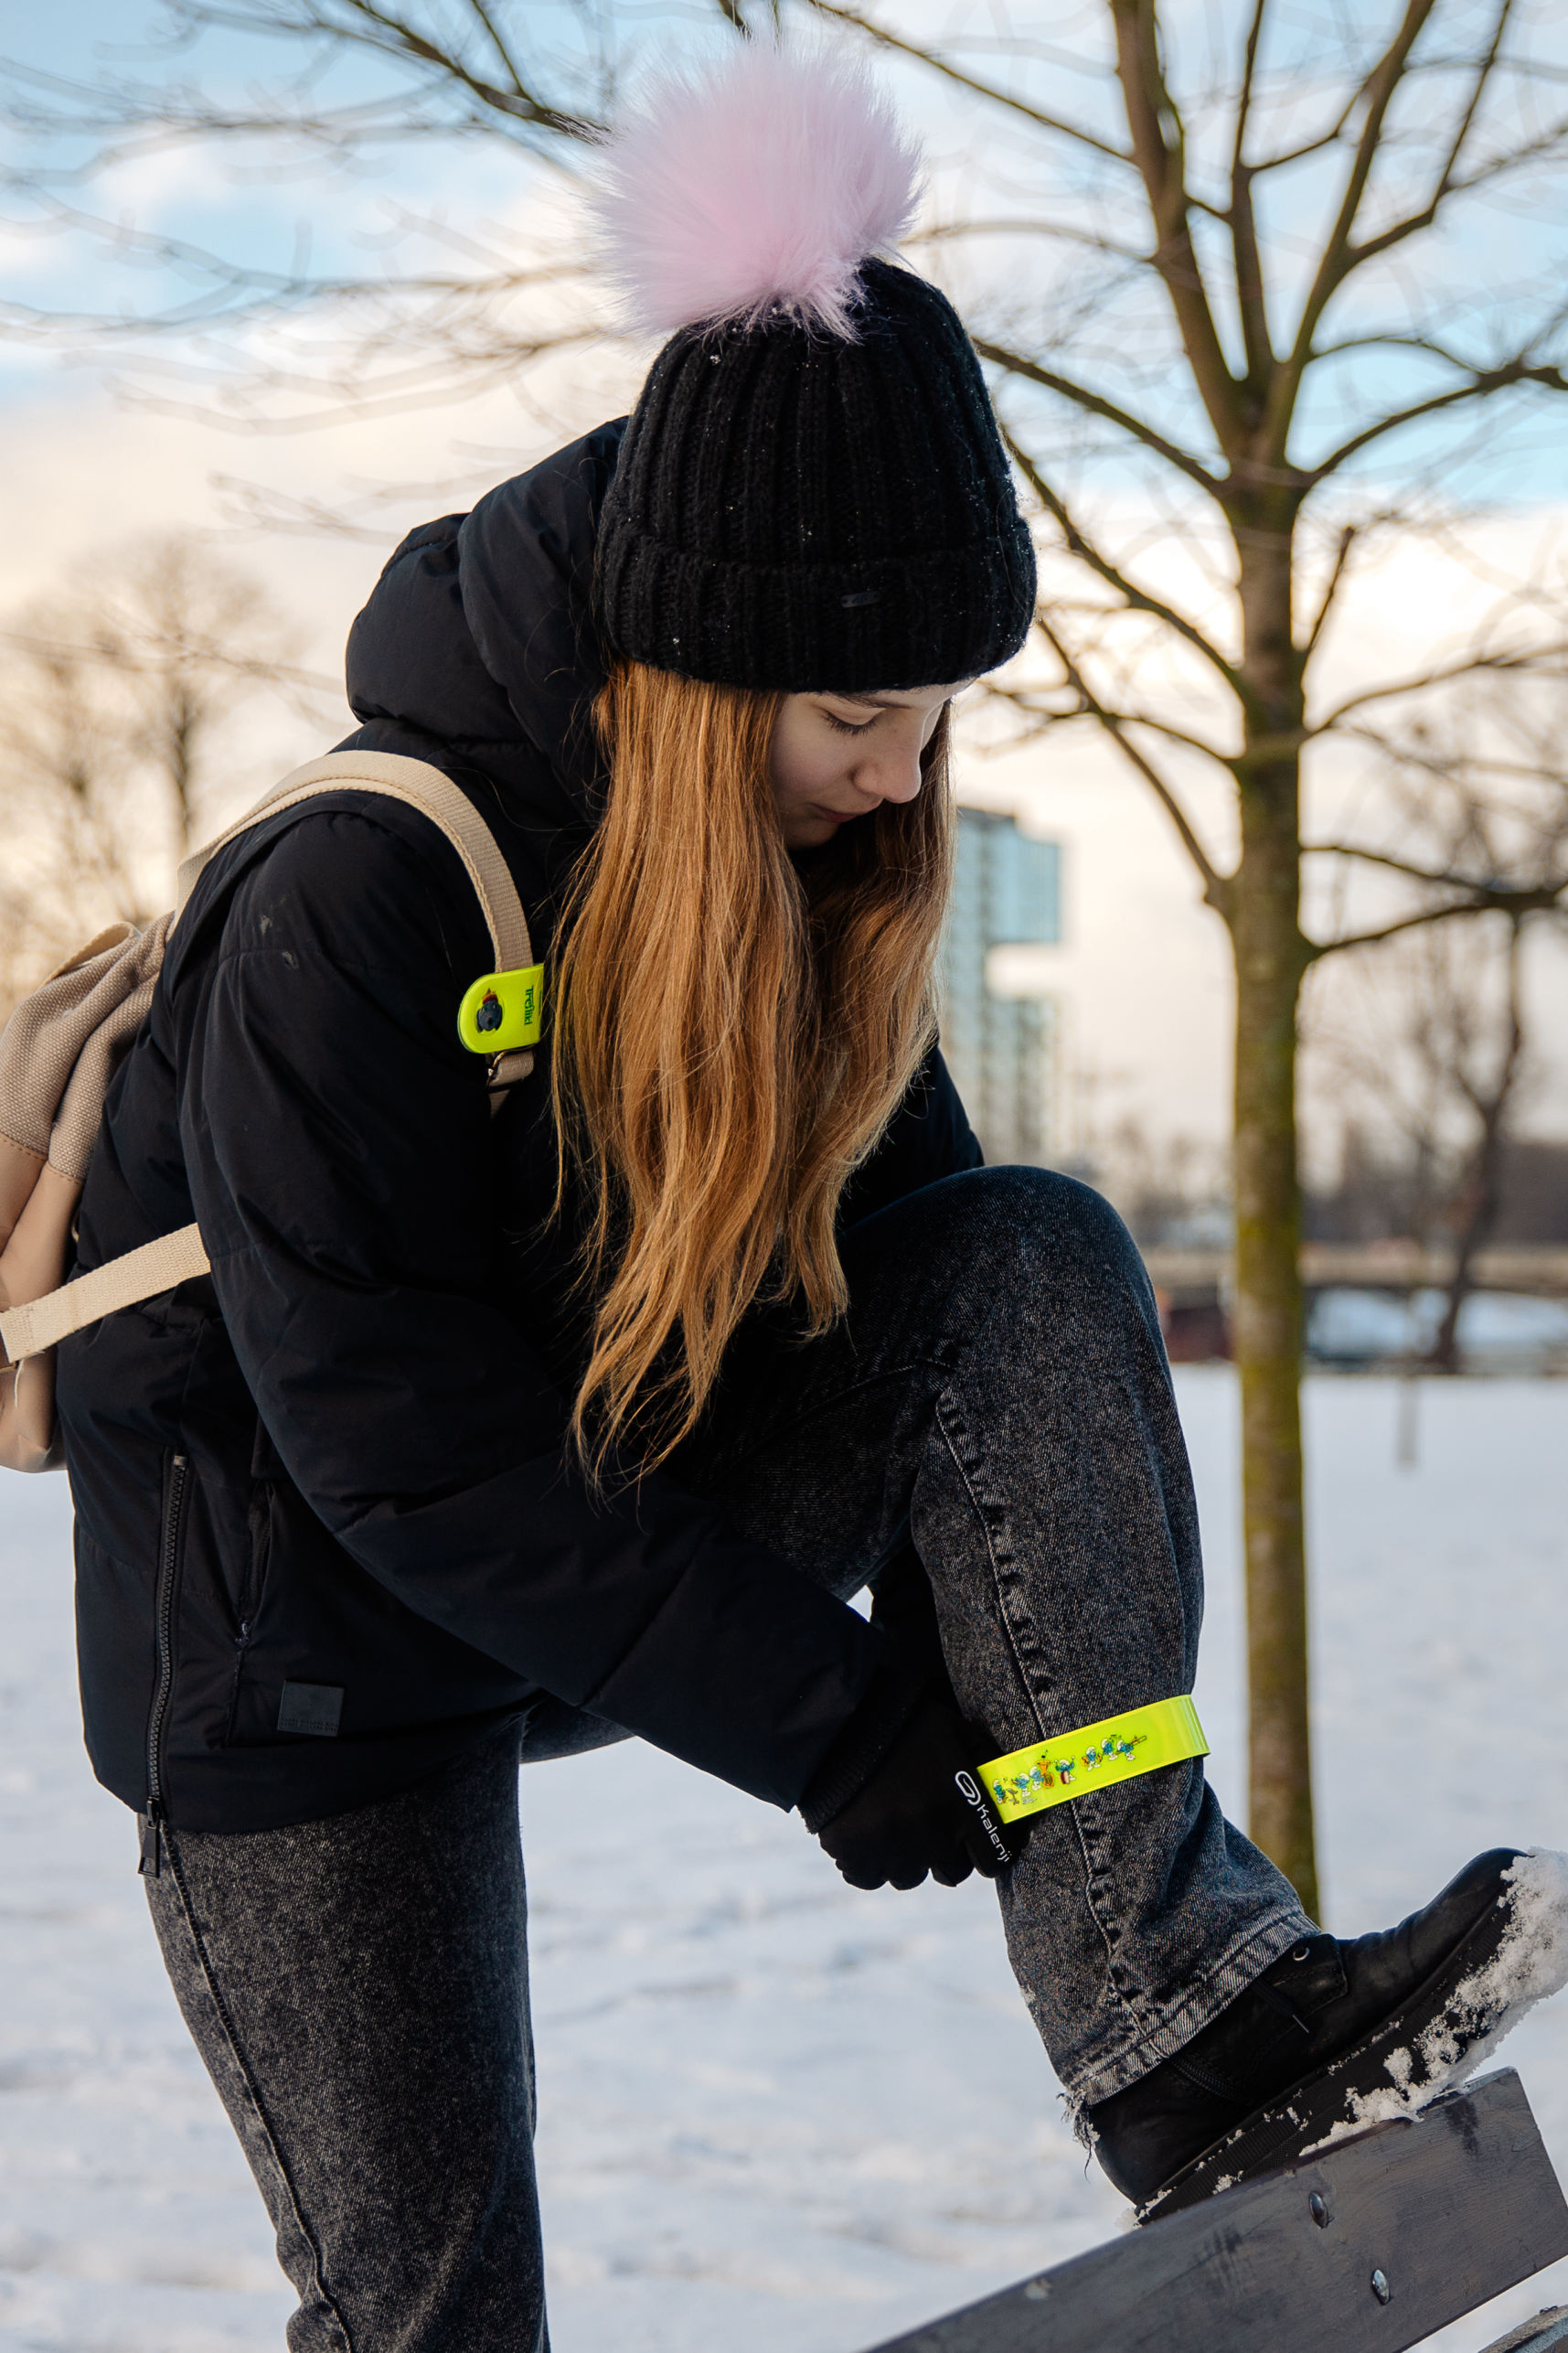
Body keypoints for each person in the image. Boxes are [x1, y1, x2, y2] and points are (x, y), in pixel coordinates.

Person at [55, 45, 1565, 2351]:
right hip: (295, 1664)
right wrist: (829, 1715)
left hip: (594, 1511)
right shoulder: (349, 902)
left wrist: (990, 1623)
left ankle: (1183, 2022)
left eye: (941, 716)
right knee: (434, 2314)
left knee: (1042, 1255)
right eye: (861, 711)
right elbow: (398, 1442)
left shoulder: (790, 875)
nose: (901, 778)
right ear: (697, 673)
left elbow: (947, 1304)